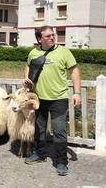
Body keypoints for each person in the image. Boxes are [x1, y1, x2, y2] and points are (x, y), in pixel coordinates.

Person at [23, 25, 81, 176]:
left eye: (52, 35)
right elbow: (28, 66)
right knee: (39, 129)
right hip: (39, 98)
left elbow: (74, 71)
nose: (52, 37)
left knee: (59, 130)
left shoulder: (64, 52)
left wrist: (77, 92)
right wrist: (27, 79)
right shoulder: (33, 52)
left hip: (58, 99)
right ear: (39, 39)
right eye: (47, 36)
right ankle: (40, 154)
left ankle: (61, 161)